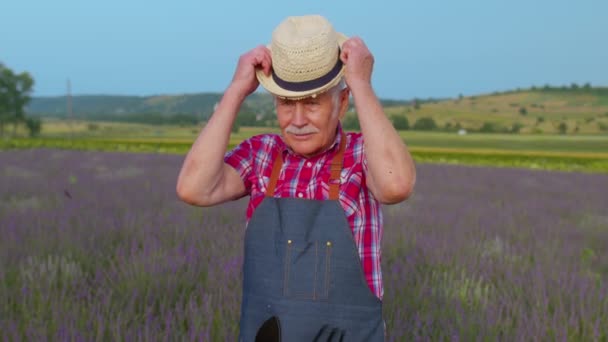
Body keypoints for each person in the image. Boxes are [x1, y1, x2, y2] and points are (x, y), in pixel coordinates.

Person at [176, 14, 416, 341]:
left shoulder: (362, 155)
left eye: (313, 103)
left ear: (342, 102)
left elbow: (396, 184)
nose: (297, 120)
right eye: (286, 103)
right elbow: (194, 188)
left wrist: (360, 83)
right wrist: (235, 90)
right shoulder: (262, 154)